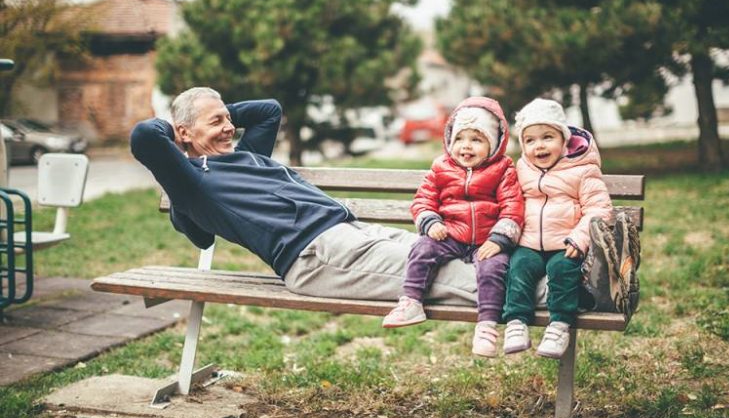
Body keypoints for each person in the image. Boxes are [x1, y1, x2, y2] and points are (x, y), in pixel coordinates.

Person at [130, 87, 478, 304]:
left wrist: (214, 111)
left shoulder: (244, 156)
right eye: (216, 121)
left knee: (458, 250)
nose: (229, 127)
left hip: (354, 232)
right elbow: (145, 136)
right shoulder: (192, 182)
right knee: (454, 275)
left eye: (228, 119)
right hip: (317, 253)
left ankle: (510, 276)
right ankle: (515, 298)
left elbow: (269, 110)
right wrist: (177, 127)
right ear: (183, 133)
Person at [381, 97, 524, 358]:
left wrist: (499, 239)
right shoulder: (441, 167)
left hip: (487, 238)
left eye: (476, 139)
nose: (466, 146)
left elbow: (512, 206)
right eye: (459, 138)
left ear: (493, 144)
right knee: (422, 249)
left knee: (494, 268)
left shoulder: (503, 169)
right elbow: (423, 200)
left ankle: (487, 325)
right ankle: (411, 301)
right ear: (449, 140)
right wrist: (430, 222)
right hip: (450, 232)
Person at [503, 98, 612, 359]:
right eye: (530, 140)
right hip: (529, 242)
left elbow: (599, 208)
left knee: (562, 270)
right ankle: (516, 322)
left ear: (564, 140)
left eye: (547, 137)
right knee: (518, 268)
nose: (539, 145)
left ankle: (560, 325)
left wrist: (580, 238)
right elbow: (510, 201)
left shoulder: (582, 169)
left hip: (566, 243)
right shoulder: (522, 169)